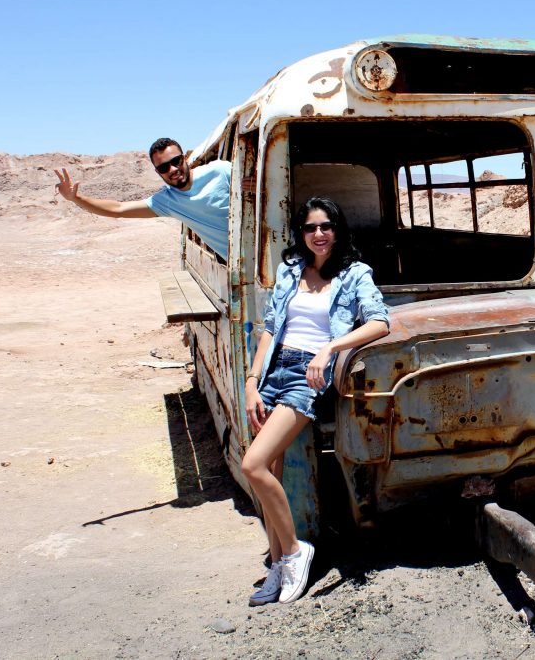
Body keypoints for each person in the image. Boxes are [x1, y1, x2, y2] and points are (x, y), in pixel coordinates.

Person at [242, 196, 389, 606]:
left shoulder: (355, 273)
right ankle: (276, 563)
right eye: (310, 228)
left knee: (252, 465)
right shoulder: (290, 270)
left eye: (326, 226)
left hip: (307, 375)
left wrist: (329, 350)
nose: (318, 234)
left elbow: (380, 322)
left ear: (337, 230)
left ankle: (294, 551)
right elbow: (270, 329)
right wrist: (252, 381)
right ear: (300, 233)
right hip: (273, 370)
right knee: (269, 466)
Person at [53, 138, 231, 260]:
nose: (172, 169)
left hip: (259, 249)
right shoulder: (168, 201)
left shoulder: (220, 171)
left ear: (185, 158)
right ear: (157, 172)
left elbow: (257, 182)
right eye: (163, 168)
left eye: (176, 161)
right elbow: (118, 209)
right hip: (239, 264)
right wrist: (75, 198)